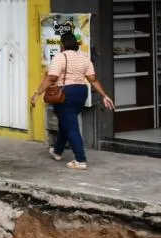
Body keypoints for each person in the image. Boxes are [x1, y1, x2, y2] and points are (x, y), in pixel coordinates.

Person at [30, 32, 114, 170]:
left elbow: (51, 78)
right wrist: (104, 95)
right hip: (81, 93)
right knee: (67, 121)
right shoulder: (84, 58)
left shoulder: (60, 57)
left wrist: (37, 93)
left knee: (71, 126)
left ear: (62, 45)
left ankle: (80, 159)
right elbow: (92, 79)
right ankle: (57, 151)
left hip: (65, 94)